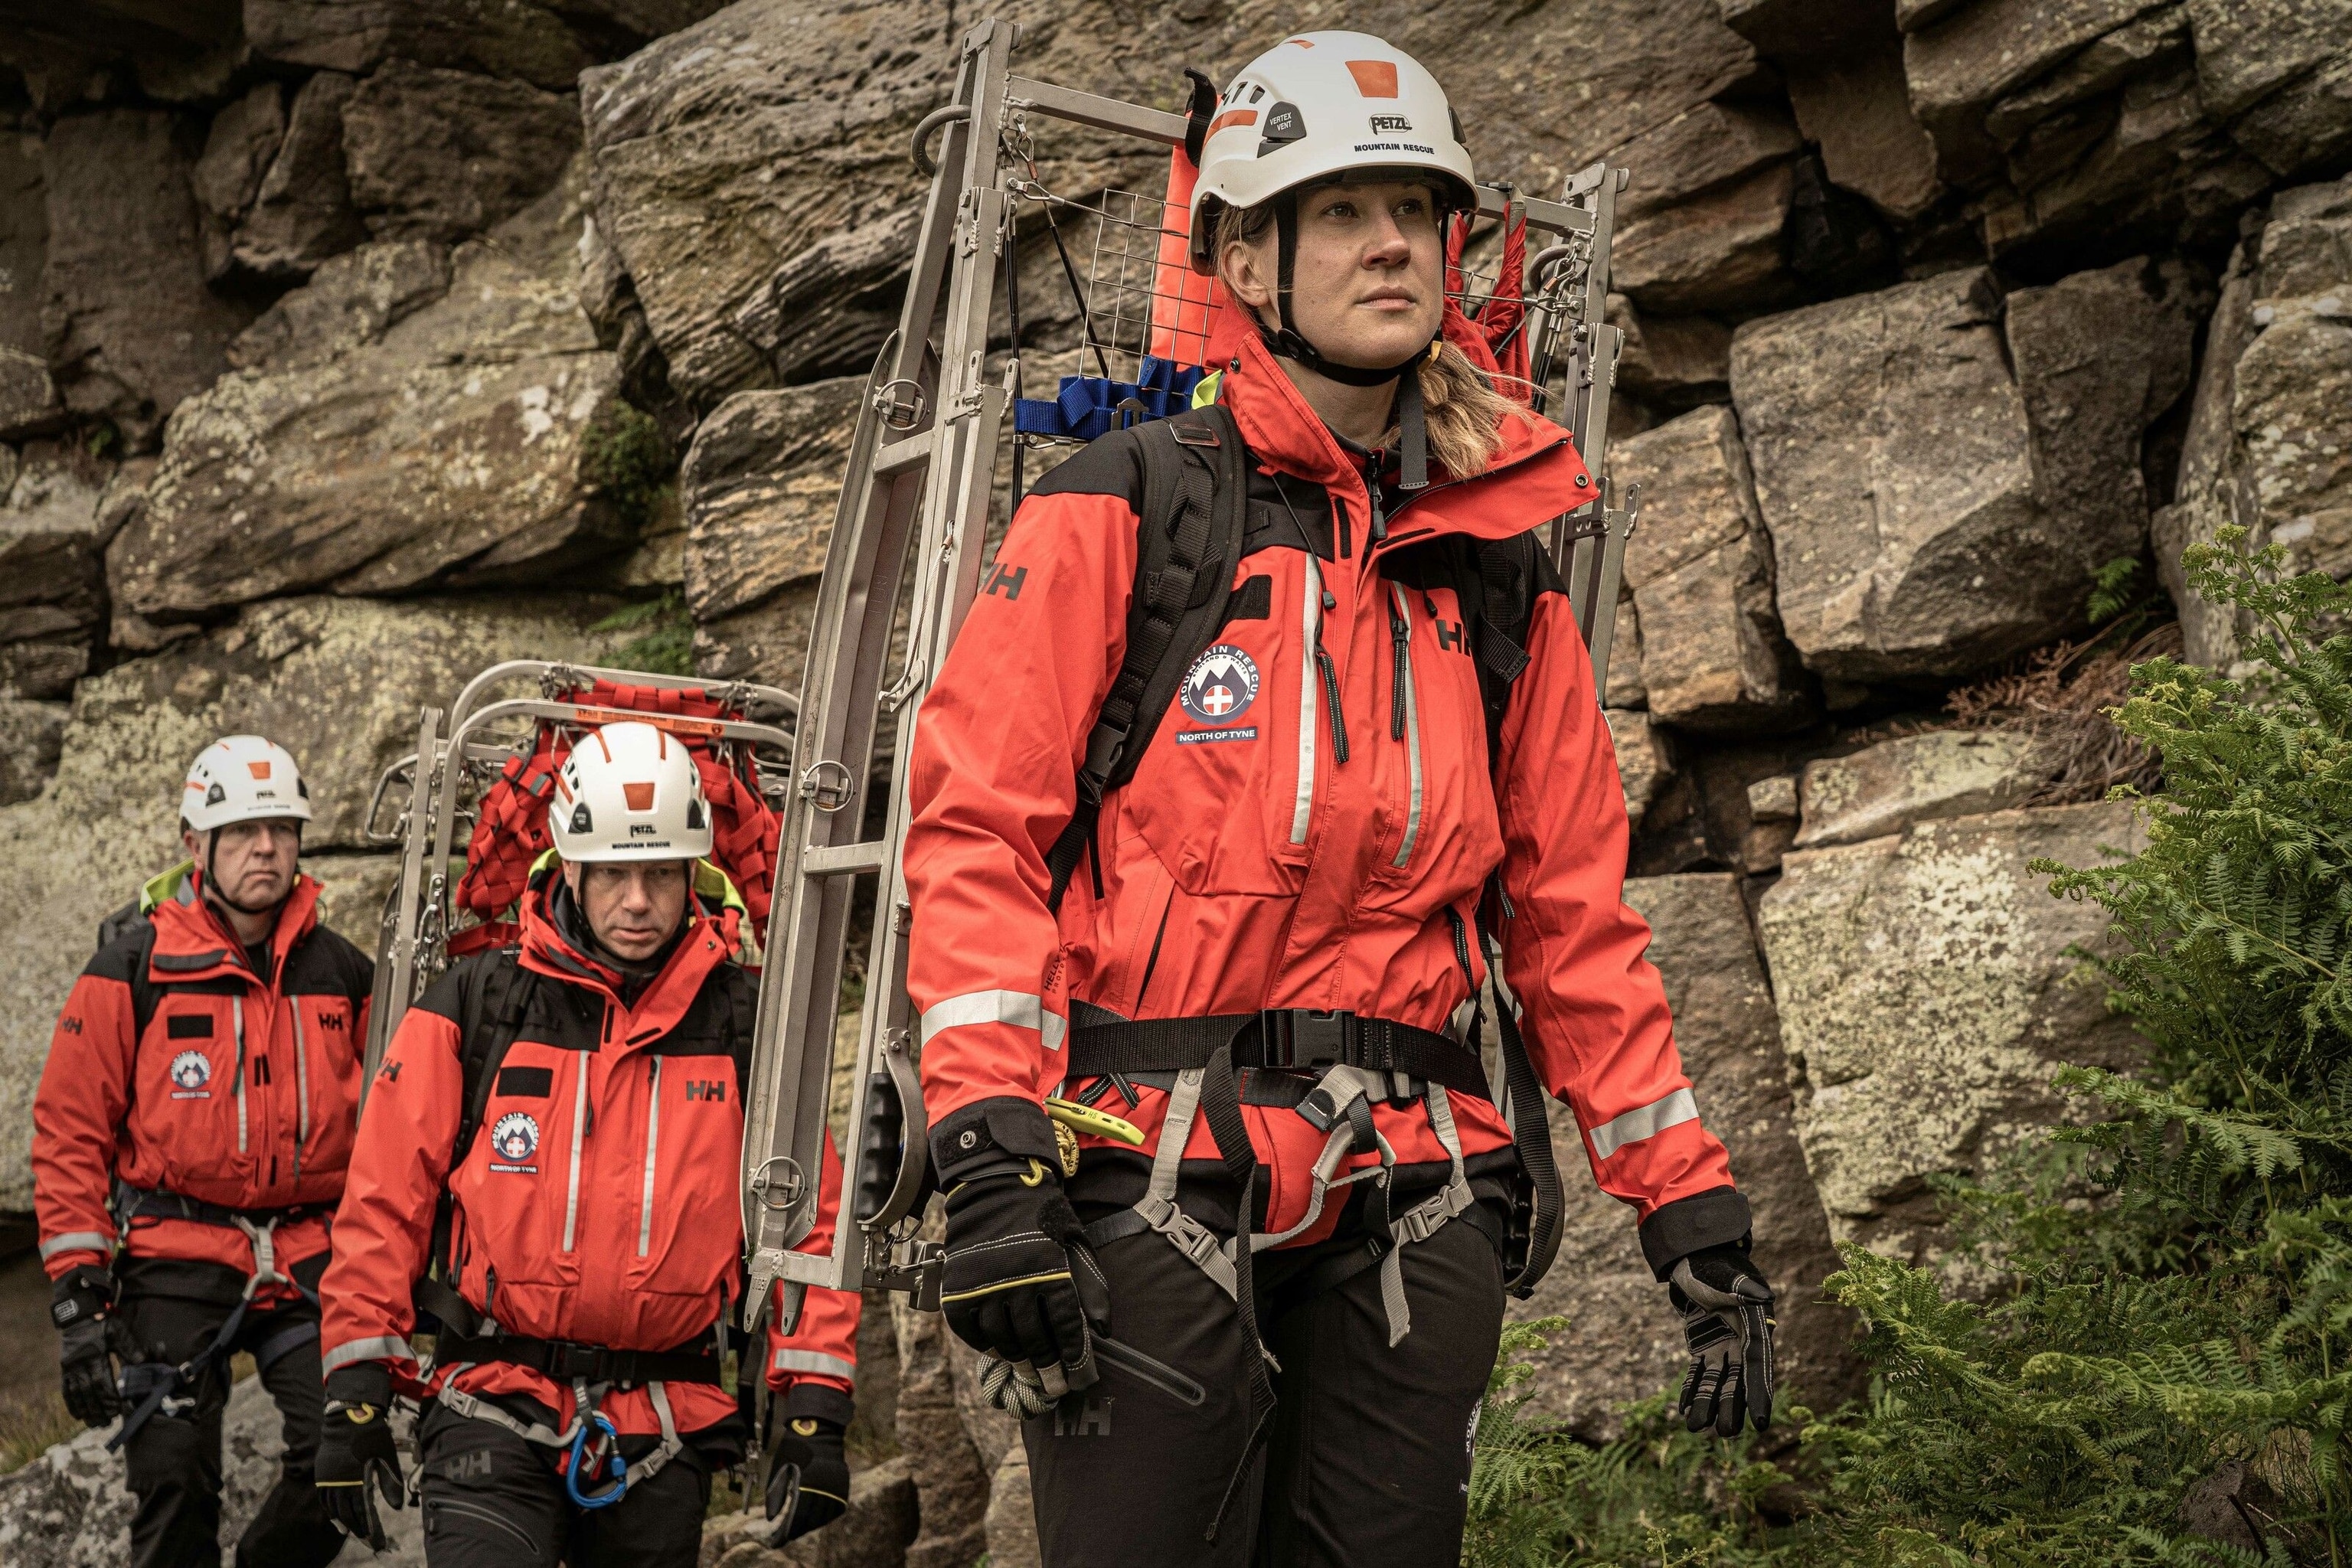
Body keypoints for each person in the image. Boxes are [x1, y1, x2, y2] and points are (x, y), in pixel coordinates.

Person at [900, 31, 1776, 1567]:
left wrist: (1688, 1209)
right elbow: (981, 836)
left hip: (1417, 1193)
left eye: (1418, 211)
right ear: (1246, 252)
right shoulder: (1127, 507)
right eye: (1343, 210)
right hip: (1142, 1173)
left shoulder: (1500, 584)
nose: (1395, 243)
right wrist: (988, 1152)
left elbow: (1571, 923)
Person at [313, 720, 861, 1566]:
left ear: (693, 874)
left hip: (666, 1423)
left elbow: (811, 1225)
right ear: (569, 866)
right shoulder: (476, 1006)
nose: (637, 900)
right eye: (612, 873)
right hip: (489, 1402)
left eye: (658, 873)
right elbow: (385, 1200)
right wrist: (353, 1384)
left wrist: (814, 1404)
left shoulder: (748, 1026)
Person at [34, 735, 374, 1568]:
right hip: (172, 1254)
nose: (267, 848)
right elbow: (70, 1131)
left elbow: (393, 1132)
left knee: (342, 1457)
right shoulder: (132, 968)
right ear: (196, 845)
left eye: (282, 829)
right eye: (243, 831)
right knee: (174, 1477)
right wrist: (80, 1301)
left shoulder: (344, 973)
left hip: (306, 1258)